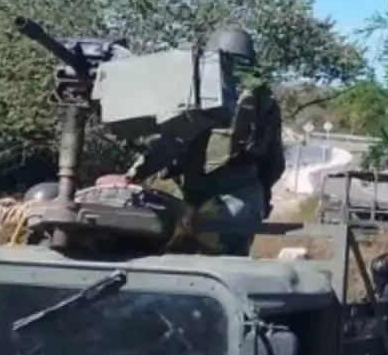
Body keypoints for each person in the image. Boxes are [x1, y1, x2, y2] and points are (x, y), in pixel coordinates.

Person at [108, 26, 284, 257]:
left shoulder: (202, 91)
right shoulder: (265, 98)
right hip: (243, 197)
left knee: (182, 267)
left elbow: (173, 140)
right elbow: (274, 162)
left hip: (200, 197)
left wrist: (133, 176)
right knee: (227, 269)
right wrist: (263, 197)